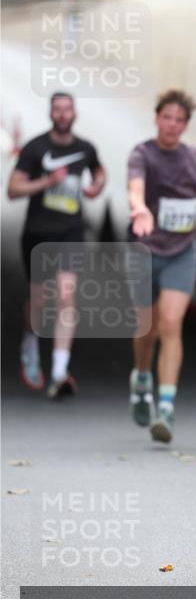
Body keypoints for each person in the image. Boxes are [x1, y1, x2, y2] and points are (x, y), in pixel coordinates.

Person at [127, 88, 196, 444]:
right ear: (156, 118)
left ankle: (165, 407)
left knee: (171, 323)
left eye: (179, 120)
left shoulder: (194, 158)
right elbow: (136, 188)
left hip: (181, 253)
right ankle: (141, 377)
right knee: (147, 329)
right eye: (166, 117)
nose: (171, 125)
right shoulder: (143, 154)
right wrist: (139, 207)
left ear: (186, 125)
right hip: (144, 249)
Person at [7, 92, 106, 398]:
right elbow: (13, 189)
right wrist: (46, 182)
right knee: (40, 300)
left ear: (74, 113)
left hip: (71, 232)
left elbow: (99, 170)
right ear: (51, 113)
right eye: (58, 110)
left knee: (66, 296)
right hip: (38, 233)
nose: (63, 115)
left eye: (68, 110)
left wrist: (97, 185)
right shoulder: (36, 148)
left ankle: (60, 372)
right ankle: (30, 339)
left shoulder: (85, 148)